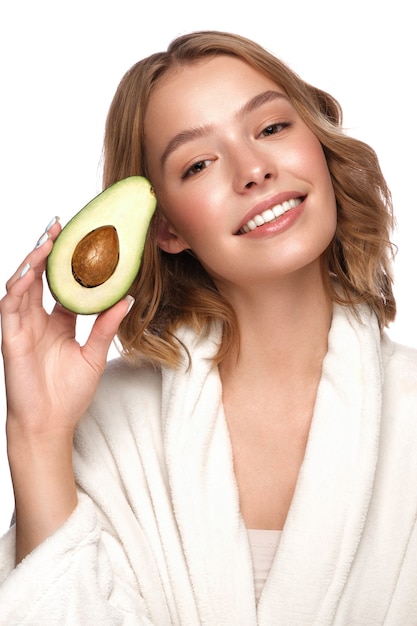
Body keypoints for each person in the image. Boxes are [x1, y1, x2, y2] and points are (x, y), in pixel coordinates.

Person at [0, 30, 416, 625]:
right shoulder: (105, 424)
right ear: (166, 228)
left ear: (319, 148)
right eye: (198, 164)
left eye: (272, 128)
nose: (252, 171)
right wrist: (38, 435)